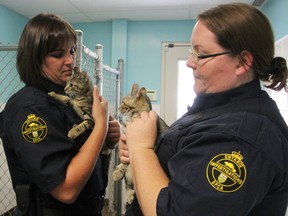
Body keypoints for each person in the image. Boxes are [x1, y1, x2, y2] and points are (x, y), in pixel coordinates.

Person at [119, 3, 288, 216]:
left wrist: (141, 150)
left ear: (242, 63)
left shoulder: (243, 138)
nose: (190, 62)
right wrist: (147, 152)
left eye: (201, 54)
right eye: (192, 51)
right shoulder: (219, 109)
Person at [0, 13, 120, 216]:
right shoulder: (30, 108)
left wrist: (107, 137)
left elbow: (82, 151)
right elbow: (66, 189)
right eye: (58, 55)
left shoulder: (63, 97)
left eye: (72, 51)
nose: (70, 61)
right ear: (35, 59)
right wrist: (101, 128)